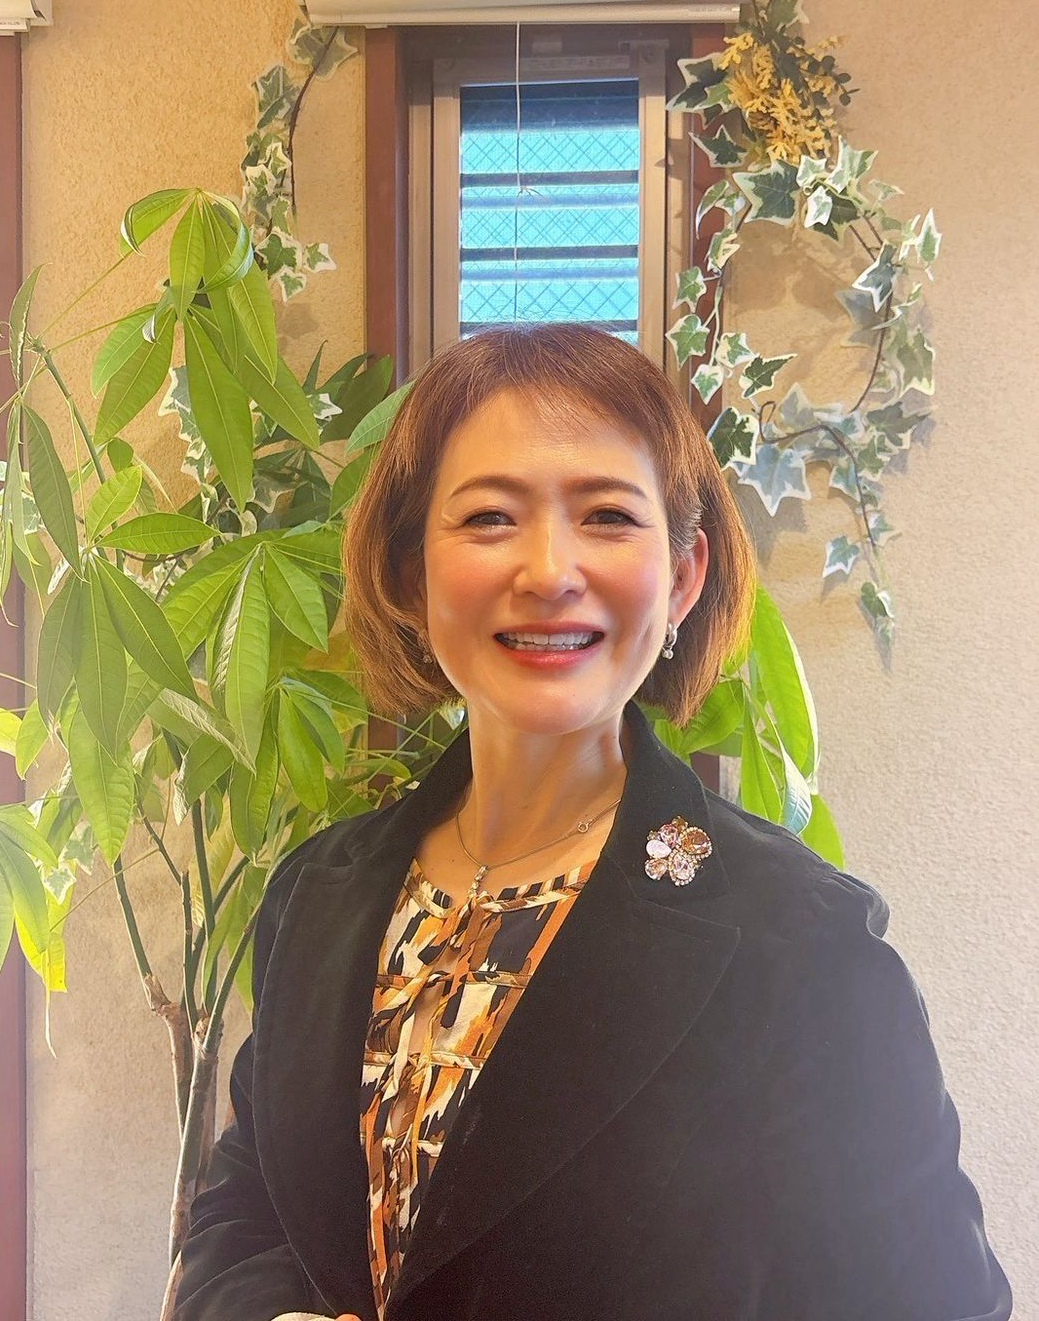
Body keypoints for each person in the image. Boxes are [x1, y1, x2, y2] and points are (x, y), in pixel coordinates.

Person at [172, 322, 1012, 1321]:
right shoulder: (320, 893)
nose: (549, 570)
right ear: (408, 572)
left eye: (608, 516)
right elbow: (245, 1214)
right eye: (489, 517)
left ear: (683, 577)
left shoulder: (800, 943)